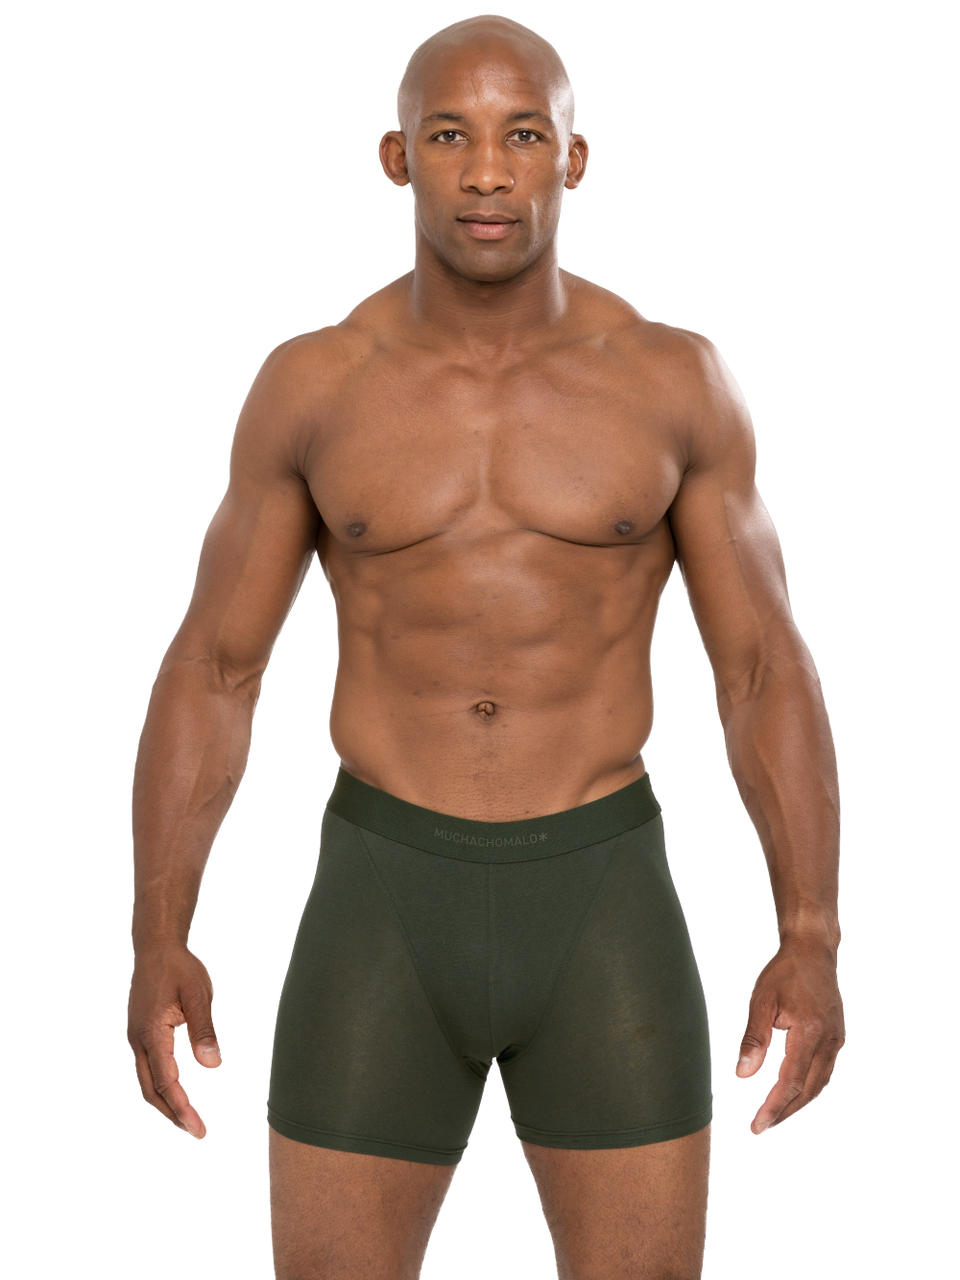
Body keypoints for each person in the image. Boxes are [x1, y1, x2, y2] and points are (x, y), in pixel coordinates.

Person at [125, 13, 846, 1279]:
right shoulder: (313, 384)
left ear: (575, 159)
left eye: (523, 135)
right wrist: (157, 932)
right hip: (381, 886)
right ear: (397, 157)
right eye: (452, 136)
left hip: (602, 883)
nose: (489, 173)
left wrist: (813, 930)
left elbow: (761, 667)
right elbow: (217, 668)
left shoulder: (673, 380)